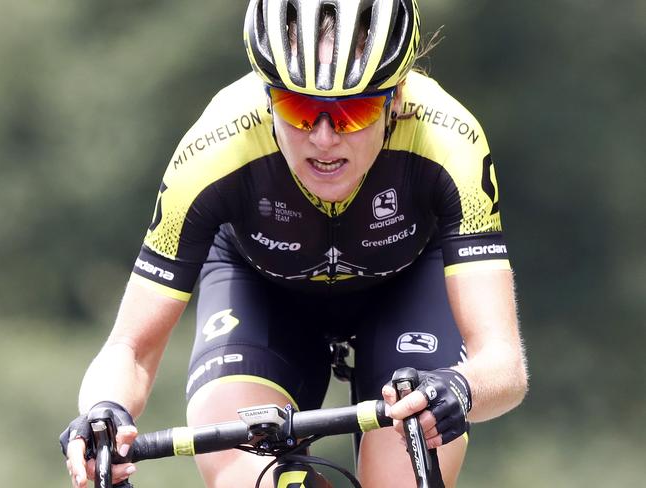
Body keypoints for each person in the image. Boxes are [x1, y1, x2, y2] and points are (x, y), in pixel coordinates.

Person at [60, 0, 528, 487]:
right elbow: (130, 349)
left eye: (355, 110)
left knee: (403, 474)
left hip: (406, 287)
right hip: (262, 290)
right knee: (246, 478)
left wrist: (461, 387)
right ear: (267, 99)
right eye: (299, 108)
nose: (324, 138)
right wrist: (102, 412)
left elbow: (504, 366)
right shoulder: (213, 152)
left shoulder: (449, 143)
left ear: (395, 100)